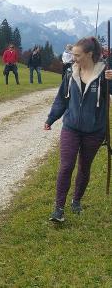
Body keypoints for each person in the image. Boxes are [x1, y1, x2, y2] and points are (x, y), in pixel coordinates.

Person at [45, 36, 112, 222]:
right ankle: (58, 208)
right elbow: (62, 99)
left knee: (84, 167)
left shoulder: (104, 74)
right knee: (66, 166)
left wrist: (111, 81)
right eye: (72, 54)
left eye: (77, 55)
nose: (73, 58)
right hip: (71, 127)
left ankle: (76, 201)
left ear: (89, 54)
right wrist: (51, 118)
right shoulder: (70, 73)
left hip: (94, 131)